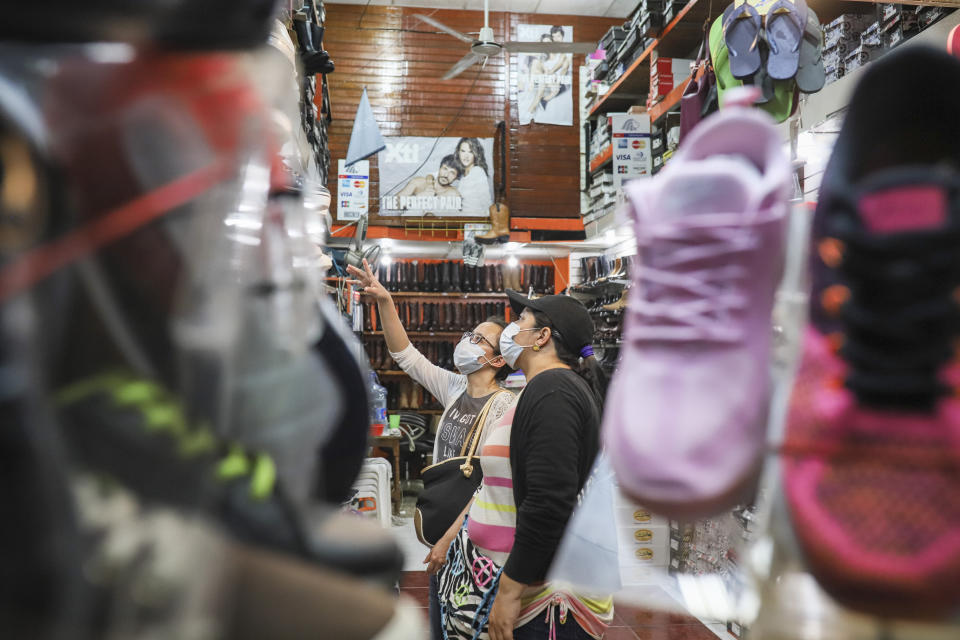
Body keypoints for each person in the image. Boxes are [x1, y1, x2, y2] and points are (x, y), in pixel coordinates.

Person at [346, 259, 517, 640]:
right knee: (444, 621)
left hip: (475, 537)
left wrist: (448, 539)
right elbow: (405, 355)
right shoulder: (456, 389)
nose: (468, 340)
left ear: (498, 359)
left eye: (479, 339)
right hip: (446, 532)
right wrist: (386, 302)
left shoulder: (505, 406)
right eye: (470, 333)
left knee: (468, 621)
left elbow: (489, 483)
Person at [437, 290, 611, 640]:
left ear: (542, 337)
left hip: (543, 603)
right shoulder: (544, 388)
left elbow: (549, 503)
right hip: (530, 590)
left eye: (521, 321)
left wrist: (510, 590)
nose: (511, 328)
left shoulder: (554, 391)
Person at [397, 154, 463, 208]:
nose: (446, 175)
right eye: (445, 169)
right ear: (439, 168)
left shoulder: (453, 195)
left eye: (452, 173)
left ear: (456, 178)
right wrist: (416, 199)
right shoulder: (419, 182)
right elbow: (392, 204)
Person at [453, 137, 493, 214]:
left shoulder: (477, 171)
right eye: (463, 151)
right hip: (466, 220)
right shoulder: (463, 176)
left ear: (476, 154)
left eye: (470, 152)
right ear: (458, 152)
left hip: (477, 220)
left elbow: (486, 202)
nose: (466, 156)